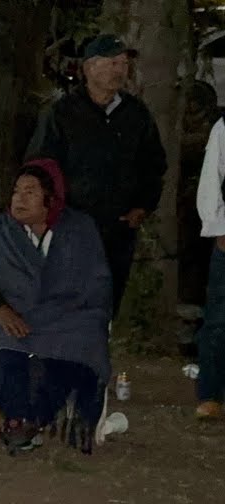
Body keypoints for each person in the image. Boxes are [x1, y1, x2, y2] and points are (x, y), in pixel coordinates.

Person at [0, 160, 113, 453]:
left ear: (50, 198)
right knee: (7, 353)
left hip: (70, 319)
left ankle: (36, 419)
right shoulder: (0, 232)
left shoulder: (80, 230)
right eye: (16, 191)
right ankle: (20, 419)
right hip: (16, 315)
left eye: (30, 192)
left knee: (75, 350)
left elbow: (98, 284)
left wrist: (74, 311)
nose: (19, 199)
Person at [26, 34, 167, 315]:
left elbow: (154, 165)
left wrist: (142, 206)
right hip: (71, 226)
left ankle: (97, 354)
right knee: (66, 300)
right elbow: (40, 166)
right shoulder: (63, 113)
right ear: (89, 68)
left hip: (118, 228)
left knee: (106, 302)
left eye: (123, 64)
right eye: (112, 63)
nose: (119, 70)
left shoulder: (136, 114)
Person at [194, 116, 225, 420]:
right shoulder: (224, 127)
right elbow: (211, 179)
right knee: (219, 320)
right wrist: (219, 227)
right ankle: (212, 393)